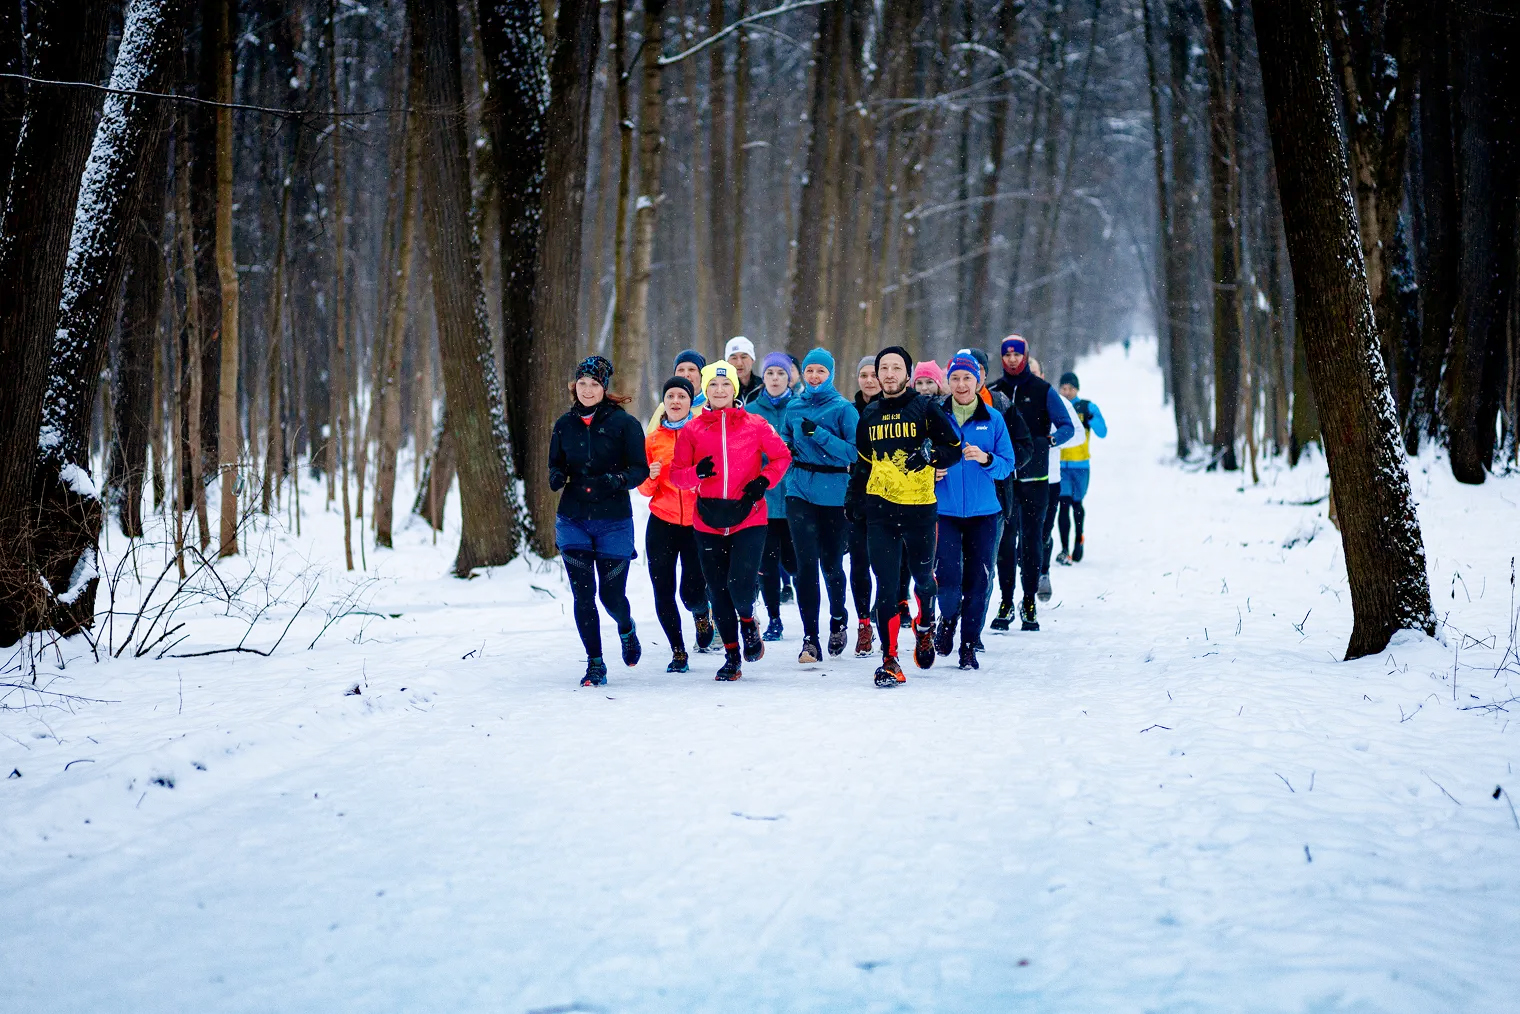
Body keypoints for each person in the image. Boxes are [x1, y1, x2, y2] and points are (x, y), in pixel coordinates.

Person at [848, 346, 961, 687]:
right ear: (878, 374)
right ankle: (890, 659)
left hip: (919, 509)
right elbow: (863, 463)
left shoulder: (925, 408)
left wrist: (929, 455)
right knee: (885, 587)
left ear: (907, 375)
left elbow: (953, 450)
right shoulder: (868, 415)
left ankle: (925, 624)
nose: (889, 373)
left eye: (897, 367)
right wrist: (853, 498)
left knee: (923, 579)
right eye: (884, 368)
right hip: (880, 511)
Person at [670, 362, 792, 680]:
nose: (719, 391)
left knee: (739, 588)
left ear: (734, 390)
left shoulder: (755, 424)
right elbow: (677, 475)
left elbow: (782, 457)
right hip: (708, 519)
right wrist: (696, 473)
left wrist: (763, 482)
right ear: (705, 391)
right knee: (717, 591)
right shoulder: (692, 430)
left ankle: (749, 620)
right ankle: (732, 656)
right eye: (713, 386)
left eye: (725, 385)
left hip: (748, 516)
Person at [547, 356, 651, 686]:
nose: (587, 390)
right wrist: (555, 474)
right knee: (583, 595)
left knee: (611, 597)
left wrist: (617, 480)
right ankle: (595, 663)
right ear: (574, 386)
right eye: (582, 383)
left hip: (613, 520)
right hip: (573, 518)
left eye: (594, 384)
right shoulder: (564, 424)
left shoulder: (625, 424)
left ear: (604, 388)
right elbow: (555, 462)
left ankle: (626, 627)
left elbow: (640, 470)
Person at [932, 352, 1016, 670]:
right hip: (946, 512)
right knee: (949, 580)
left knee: (978, 583)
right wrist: (932, 470)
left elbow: (1007, 465)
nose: (962, 384)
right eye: (955, 378)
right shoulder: (936, 416)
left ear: (978, 381)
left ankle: (968, 646)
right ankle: (948, 621)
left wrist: (986, 458)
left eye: (968, 378)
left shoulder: (992, 419)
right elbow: (921, 455)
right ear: (948, 382)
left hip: (984, 513)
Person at [988, 335, 1074, 633]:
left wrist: (1047, 442)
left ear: (1026, 356)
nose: (1012, 359)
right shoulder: (993, 391)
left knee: (1032, 540)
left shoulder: (1042, 390)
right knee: (1004, 542)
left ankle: (1029, 601)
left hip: (1035, 476)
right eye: (1007, 354)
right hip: (1002, 477)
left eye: (1017, 354)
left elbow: (1066, 427)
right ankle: (1006, 601)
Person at [779, 347, 859, 663]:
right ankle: (810, 639)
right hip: (799, 491)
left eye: (820, 372)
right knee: (805, 567)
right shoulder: (794, 407)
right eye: (810, 370)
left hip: (834, 494)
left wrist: (820, 435)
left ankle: (838, 618)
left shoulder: (844, 410)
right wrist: (782, 450)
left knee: (831, 565)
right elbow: (784, 445)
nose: (814, 376)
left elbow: (854, 454)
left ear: (830, 375)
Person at [638, 375, 717, 673]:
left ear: (689, 402)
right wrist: (653, 475)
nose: (675, 401)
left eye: (681, 397)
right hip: (662, 523)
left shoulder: (702, 434)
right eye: (670, 396)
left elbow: (715, 476)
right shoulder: (653, 440)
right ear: (664, 402)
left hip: (697, 524)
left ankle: (700, 613)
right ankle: (678, 650)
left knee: (692, 592)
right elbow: (644, 490)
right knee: (663, 590)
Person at [745, 352, 798, 641]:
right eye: (770, 374)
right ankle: (774, 619)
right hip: (762, 499)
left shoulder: (800, 407)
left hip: (795, 498)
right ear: (763, 377)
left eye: (780, 373)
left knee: (795, 563)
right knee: (767, 563)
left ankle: (808, 616)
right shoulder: (751, 411)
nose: (775, 379)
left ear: (789, 377)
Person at [1029, 357, 1084, 602]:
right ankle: (1023, 579)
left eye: (1034, 372)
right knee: (1020, 534)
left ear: (1042, 374)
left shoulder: (1057, 401)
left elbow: (1077, 434)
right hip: (1015, 477)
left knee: (1043, 531)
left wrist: (1050, 441)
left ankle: (1042, 573)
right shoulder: (1009, 399)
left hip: (1049, 477)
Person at [847, 356, 881, 656]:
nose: (869, 380)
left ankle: (887, 612)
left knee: (888, 566)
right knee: (859, 563)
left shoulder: (896, 408)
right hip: (858, 496)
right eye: (863, 375)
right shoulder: (850, 410)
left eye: (874, 374)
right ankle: (864, 623)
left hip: (892, 497)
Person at [1057, 371, 1107, 564]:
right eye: (1063, 388)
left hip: (1081, 466)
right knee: (1064, 504)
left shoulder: (1086, 406)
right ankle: (1064, 549)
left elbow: (1103, 432)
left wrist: (1091, 418)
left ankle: (1079, 539)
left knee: (1077, 505)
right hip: (1061, 466)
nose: (1067, 392)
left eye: (1070, 388)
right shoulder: (1056, 406)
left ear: (1077, 389)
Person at [646, 349, 707, 432]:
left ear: (701, 375)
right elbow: (650, 439)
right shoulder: (665, 407)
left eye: (692, 370)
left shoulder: (710, 405)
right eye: (681, 370)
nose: (686, 375)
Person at [725, 336, 764, 405]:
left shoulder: (763, 387)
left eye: (744, 357)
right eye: (734, 358)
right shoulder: (722, 390)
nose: (739, 363)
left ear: (752, 359)